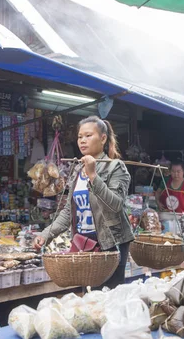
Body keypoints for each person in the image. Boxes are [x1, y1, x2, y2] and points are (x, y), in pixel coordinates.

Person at [33, 116, 134, 289]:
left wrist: (94, 176)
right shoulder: (78, 169)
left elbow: (116, 205)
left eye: (88, 135)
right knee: (89, 301)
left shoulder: (115, 167)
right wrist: (46, 234)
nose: (82, 141)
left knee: (108, 300)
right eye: (80, 137)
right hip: (84, 244)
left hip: (110, 245)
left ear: (103, 138)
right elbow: (68, 211)